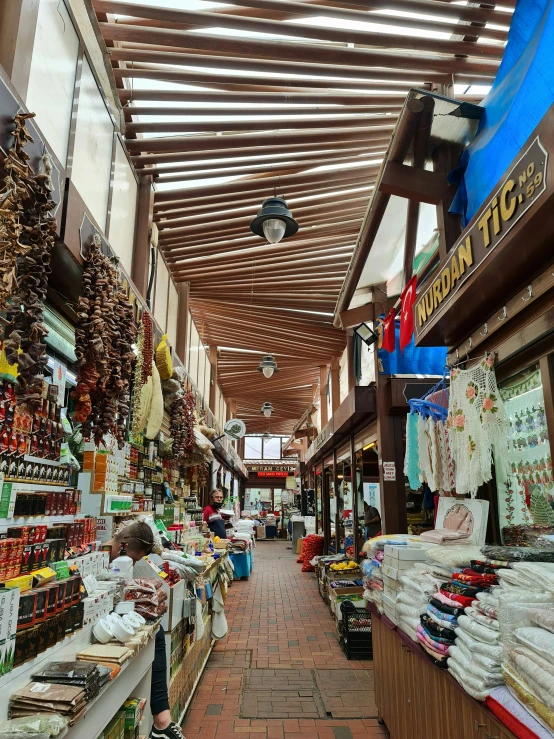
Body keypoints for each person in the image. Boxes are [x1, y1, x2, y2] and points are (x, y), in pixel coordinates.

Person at [105, 522, 185, 739]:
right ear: (124, 544)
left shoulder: (119, 559)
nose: (132, 563)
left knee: (157, 634)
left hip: (118, 616)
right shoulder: (97, 555)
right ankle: (162, 722)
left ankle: (162, 722)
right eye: (132, 557)